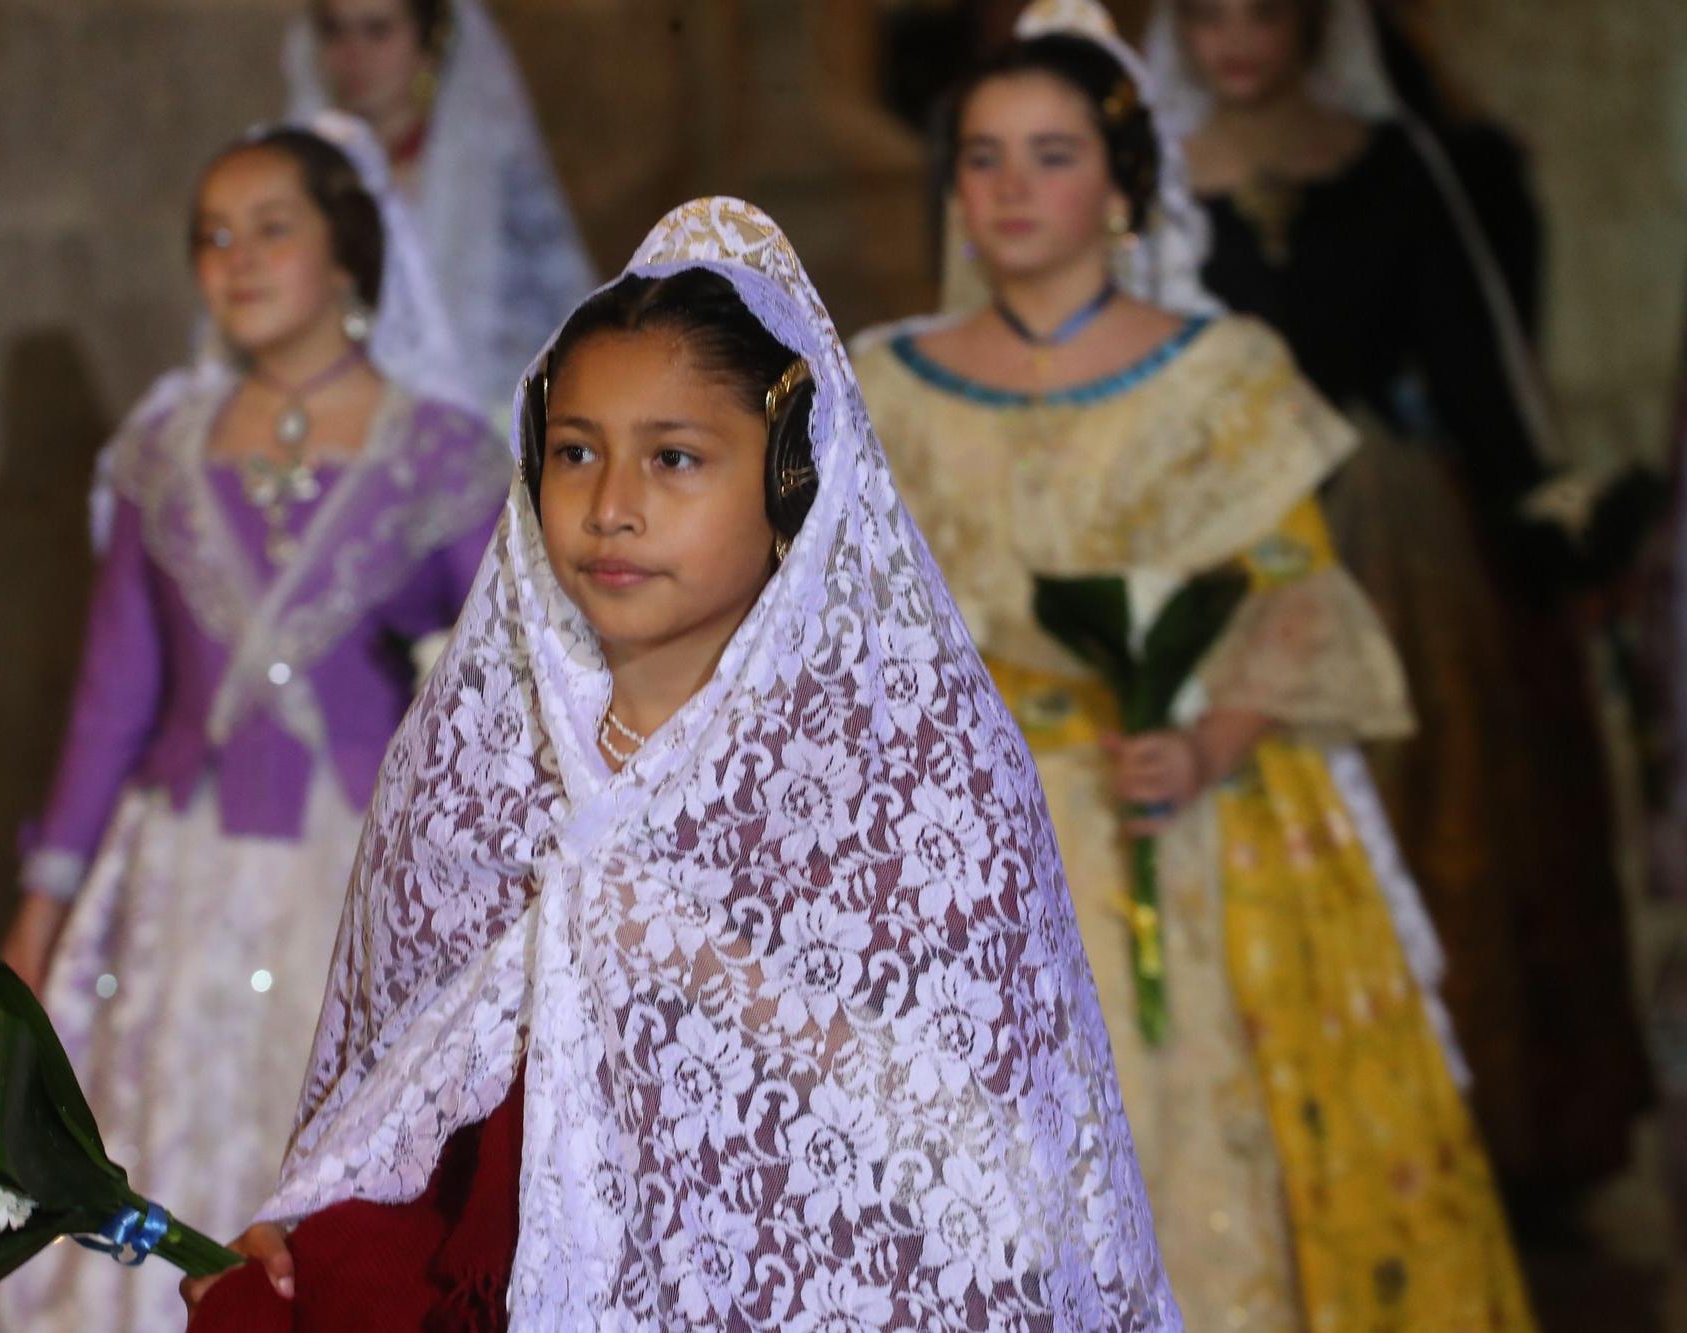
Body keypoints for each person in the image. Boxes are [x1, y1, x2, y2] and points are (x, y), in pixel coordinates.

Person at [182, 195, 1179, 1330]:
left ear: (790, 482)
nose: (611, 509)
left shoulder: (907, 779)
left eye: (673, 458)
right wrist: (315, 1220)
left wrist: (679, 956)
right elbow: (407, 1091)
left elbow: (984, 1173)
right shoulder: (479, 767)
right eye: (573, 453)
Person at [852, 4, 1532, 1325]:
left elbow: (1296, 601)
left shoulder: (1222, 374)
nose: (1009, 190)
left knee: (1198, 1165)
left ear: (1124, 184)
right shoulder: (886, 384)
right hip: (967, 853)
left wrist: (1207, 742)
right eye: (983, 158)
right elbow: (851, 638)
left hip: (1194, 823)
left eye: (1051, 155)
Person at [0, 114, 507, 1332]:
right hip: (180, 872)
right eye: (214, 237)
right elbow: (112, 693)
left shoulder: (440, 453)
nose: (239, 259)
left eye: (273, 229)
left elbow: (501, 680)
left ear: (348, 256)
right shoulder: (161, 450)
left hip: (360, 885)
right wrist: (44, 903)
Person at [1143, 0, 1652, 1207]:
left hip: (1383, 535)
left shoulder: (1390, 166)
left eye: (1260, 14)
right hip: (1211, 531)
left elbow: (1476, 373)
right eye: (1204, 16)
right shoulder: (1144, 178)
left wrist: (1543, 514)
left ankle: (1433, 1135)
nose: (1233, 42)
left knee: (1423, 815)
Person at [285, 0, 596, 416]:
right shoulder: (302, 174)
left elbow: (564, 312)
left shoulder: (487, 169)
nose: (353, 54)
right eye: (334, 32)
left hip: (485, 418)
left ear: (429, 42)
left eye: (377, 31)